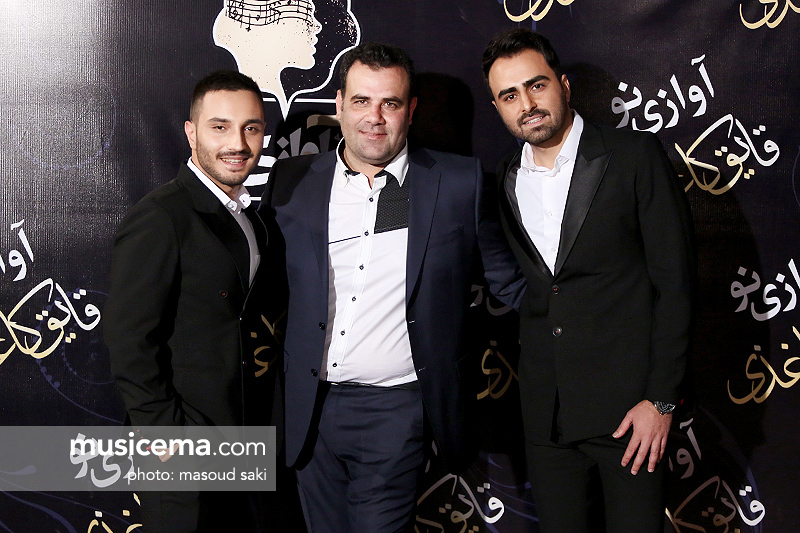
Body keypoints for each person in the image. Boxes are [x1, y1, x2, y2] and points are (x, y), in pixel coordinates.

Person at [260, 42, 523, 532]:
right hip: (308, 409)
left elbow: (511, 286)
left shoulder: (458, 183)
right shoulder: (293, 179)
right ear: (339, 104)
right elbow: (263, 280)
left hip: (397, 412)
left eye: (391, 103)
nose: (374, 118)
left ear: (411, 109)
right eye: (361, 101)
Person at [481, 29, 694, 532]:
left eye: (536, 86)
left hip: (631, 414)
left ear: (564, 85)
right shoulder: (503, 177)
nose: (527, 105)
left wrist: (661, 400)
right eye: (509, 96)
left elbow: (676, 285)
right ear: (497, 107)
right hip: (546, 418)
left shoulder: (633, 155)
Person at [104, 70, 277, 532]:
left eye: (251, 128)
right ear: (191, 132)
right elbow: (128, 340)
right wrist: (166, 437)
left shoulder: (252, 220)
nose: (237, 143)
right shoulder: (161, 216)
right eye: (220, 127)